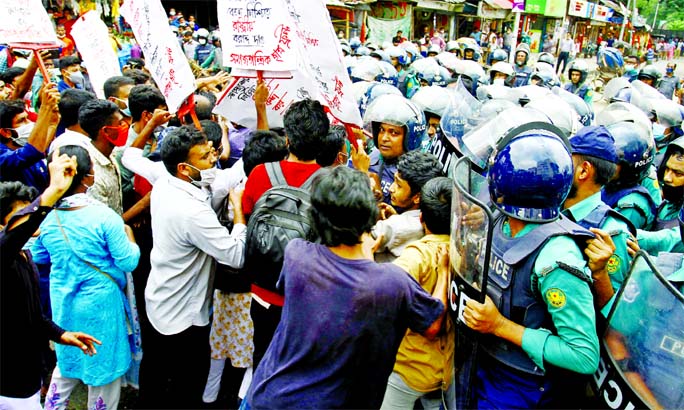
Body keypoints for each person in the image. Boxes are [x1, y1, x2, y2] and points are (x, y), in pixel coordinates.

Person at [243, 166, 447, 409]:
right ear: (370, 218)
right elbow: (433, 325)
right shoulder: (393, 283)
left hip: (267, 396)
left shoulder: (297, 254)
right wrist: (444, 272)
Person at [462, 126, 600, 408]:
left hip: (520, 384)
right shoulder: (499, 220)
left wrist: (500, 326)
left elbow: (584, 356)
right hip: (479, 359)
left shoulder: (557, 260)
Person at [138, 125, 247, 409]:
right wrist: (238, 214)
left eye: (211, 151)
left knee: (155, 372)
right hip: (183, 315)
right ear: (184, 168)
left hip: (161, 298)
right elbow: (235, 255)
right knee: (186, 384)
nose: (213, 159)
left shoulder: (165, 182)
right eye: (204, 157)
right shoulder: (192, 212)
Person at [32, 145, 140, 409]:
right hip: (101, 303)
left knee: (67, 360)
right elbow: (128, 260)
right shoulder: (105, 217)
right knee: (103, 368)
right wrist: (130, 237)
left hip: (63, 299)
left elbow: (38, 256)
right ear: (87, 177)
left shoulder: (45, 216)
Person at [0, 150, 100, 409]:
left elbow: (30, 313)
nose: (35, 223)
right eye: (23, 216)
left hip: (29, 373)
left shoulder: (25, 255)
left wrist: (61, 334)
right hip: (9, 383)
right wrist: (53, 191)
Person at [242, 99, 329, 370]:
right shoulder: (329, 183)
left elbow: (247, 214)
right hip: (305, 297)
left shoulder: (260, 173)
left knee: (263, 360)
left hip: (261, 291)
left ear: (287, 138)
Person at [380, 176, 455, 409]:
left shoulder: (418, 255)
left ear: (421, 217)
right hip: (445, 371)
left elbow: (385, 293)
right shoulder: (466, 252)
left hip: (407, 369)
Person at [563, 125, 635, 302]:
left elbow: (617, 315)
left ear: (584, 171)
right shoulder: (552, 206)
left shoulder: (613, 232)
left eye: (565, 161)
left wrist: (600, 273)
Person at [372, 151, 444, 263]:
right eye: (394, 180)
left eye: (399, 185)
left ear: (417, 197)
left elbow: (358, 242)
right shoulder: (429, 222)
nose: (391, 188)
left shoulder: (395, 226)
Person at [362, 94, 427, 205]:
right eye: (382, 130)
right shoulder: (371, 157)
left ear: (410, 137)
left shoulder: (417, 174)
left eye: (394, 133)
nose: (384, 138)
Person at [0, 83, 60, 192]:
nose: (30, 123)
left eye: (27, 118)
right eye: (21, 121)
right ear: (6, 132)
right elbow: (30, 153)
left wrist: (52, 125)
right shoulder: (2, 156)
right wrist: (45, 108)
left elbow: (39, 149)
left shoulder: (20, 145)